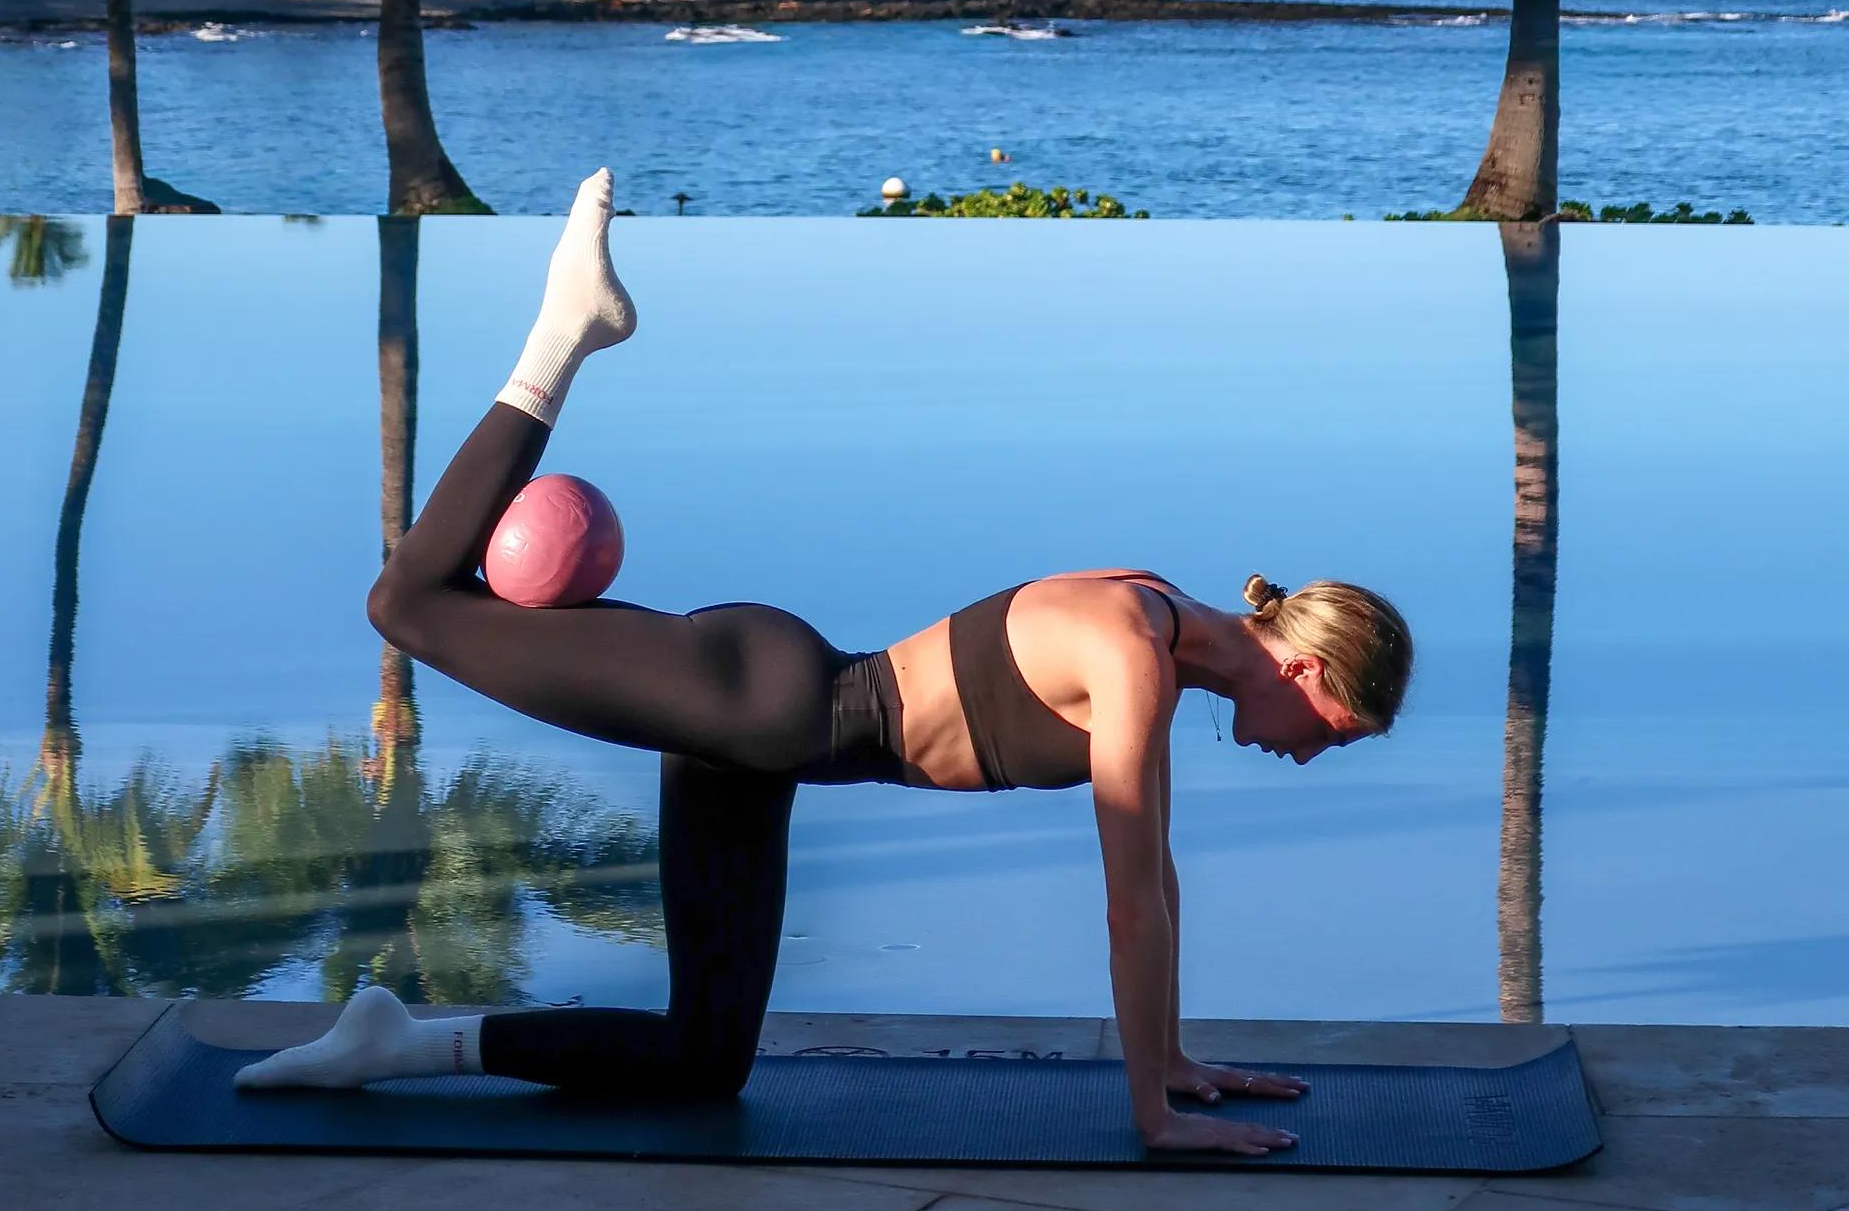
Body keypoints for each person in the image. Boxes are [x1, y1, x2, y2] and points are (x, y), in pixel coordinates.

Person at [233, 168, 1415, 1158]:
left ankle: (395, 1042)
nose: (1310, 754)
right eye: (1333, 734)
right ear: (1308, 675)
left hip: (761, 739)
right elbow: (1129, 897)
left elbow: (1153, 881)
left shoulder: (1158, 623)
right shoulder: (1134, 649)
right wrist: (1151, 1115)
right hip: (755, 695)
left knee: (704, 1063)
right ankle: (564, 331)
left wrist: (1171, 1058)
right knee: (408, 602)